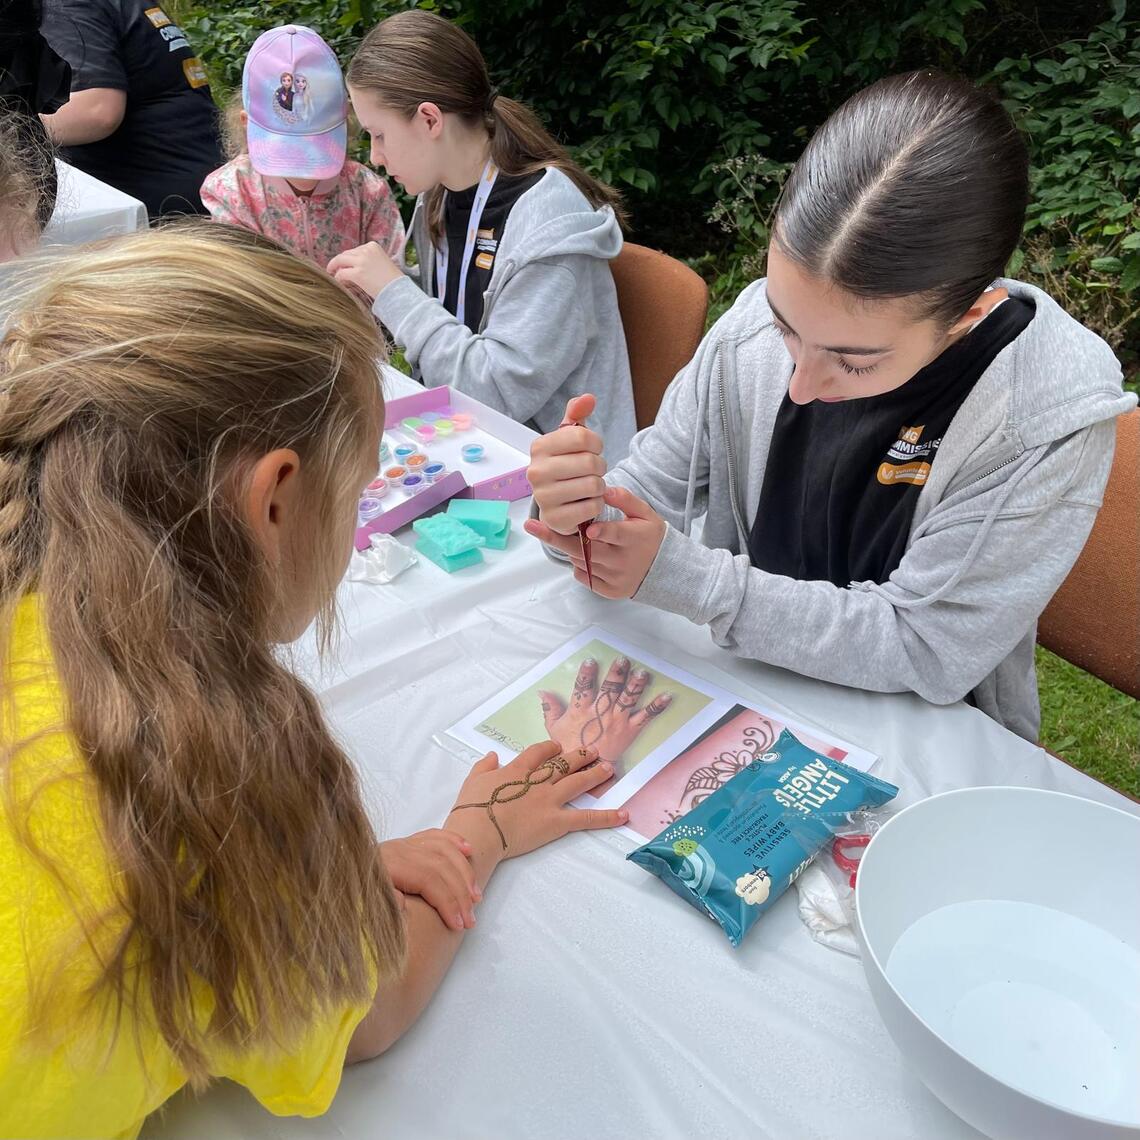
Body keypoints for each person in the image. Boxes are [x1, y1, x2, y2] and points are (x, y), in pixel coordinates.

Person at [0, 223, 626, 1138]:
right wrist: (473, 838)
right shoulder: (206, 765)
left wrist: (333, 876)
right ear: (277, 498)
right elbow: (367, 1015)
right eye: (361, 490)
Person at [524, 70, 1137, 743]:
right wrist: (579, 508)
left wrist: (701, 585)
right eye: (787, 322)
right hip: (746, 692)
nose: (801, 384)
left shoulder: (1040, 422)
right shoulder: (748, 332)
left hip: (926, 746)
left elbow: (927, 647)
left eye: (855, 359)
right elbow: (648, 493)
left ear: (967, 314)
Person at [327, 10, 638, 460]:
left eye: (378, 134)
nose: (374, 156)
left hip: (560, 474)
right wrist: (378, 293)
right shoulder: (441, 195)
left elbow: (495, 392)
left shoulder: (546, 224)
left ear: (430, 120)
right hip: (474, 441)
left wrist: (395, 293)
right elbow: (462, 313)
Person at [201, 25, 404, 272]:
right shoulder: (232, 192)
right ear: (246, 125)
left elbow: (393, 277)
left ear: (346, 121)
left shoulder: (366, 192)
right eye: (284, 150)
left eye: (315, 147)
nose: (303, 167)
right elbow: (239, 281)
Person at [39, 0, 223, 218]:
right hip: (200, 190)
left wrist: (10, 130)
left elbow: (95, 110)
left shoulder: (65, 6)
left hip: (158, 215)